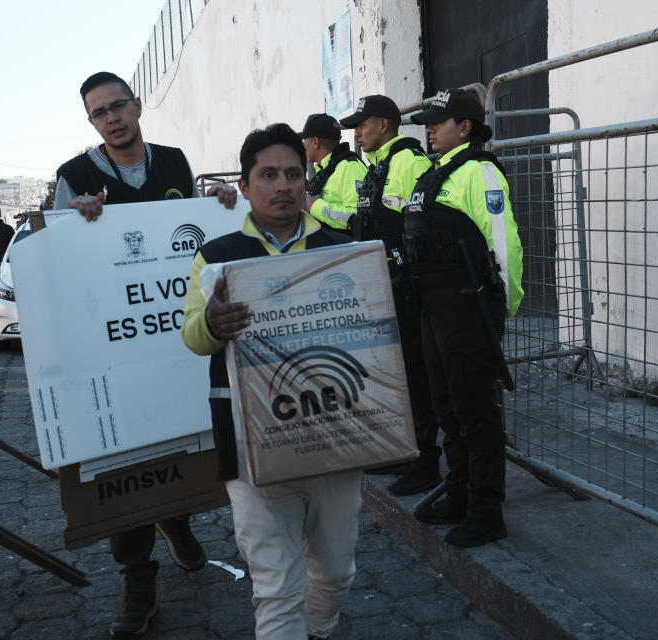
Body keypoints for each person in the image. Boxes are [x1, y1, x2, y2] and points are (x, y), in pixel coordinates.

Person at [52, 71, 237, 640]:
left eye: (118, 106)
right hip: (116, 349)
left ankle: (175, 518)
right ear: (90, 122)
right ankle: (139, 578)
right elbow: (57, 258)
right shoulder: (73, 177)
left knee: (183, 439)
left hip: (177, 340)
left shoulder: (177, 162)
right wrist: (72, 221)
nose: (111, 118)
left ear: (137, 105)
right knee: (125, 457)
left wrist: (224, 205)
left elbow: (203, 238)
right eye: (99, 113)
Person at [181, 123, 357, 640]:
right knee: (276, 583)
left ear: (307, 181)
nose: (283, 184)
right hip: (249, 434)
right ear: (245, 184)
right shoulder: (217, 256)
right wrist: (213, 324)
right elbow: (193, 337)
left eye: (293, 173)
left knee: (337, 571)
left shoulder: (343, 249)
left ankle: (319, 631)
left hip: (336, 430)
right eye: (268, 174)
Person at [403, 88, 523, 548]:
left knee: (475, 412)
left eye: (438, 122)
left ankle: (486, 510)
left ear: (465, 128)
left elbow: (504, 244)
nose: (429, 129)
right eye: (428, 123)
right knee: (448, 407)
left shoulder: (480, 173)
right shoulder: (436, 173)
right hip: (435, 307)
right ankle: (458, 494)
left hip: (469, 307)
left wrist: (502, 308)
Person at [339, 94, 441, 496]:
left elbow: (421, 227)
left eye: (362, 124)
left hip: (410, 289)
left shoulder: (408, 162)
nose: (357, 132)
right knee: (399, 375)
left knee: (418, 375)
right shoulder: (378, 166)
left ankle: (427, 462)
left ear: (384, 124)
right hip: (386, 286)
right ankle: (407, 450)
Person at [298, 113, 366, 231]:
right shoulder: (325, 170)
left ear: (315, 142)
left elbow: (359, 217)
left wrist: (315, 206)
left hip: (348, 247)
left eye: (305, 140)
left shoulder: (349, 167)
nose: (303, 145)